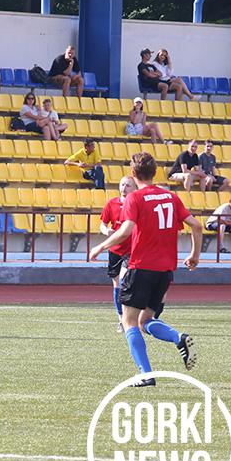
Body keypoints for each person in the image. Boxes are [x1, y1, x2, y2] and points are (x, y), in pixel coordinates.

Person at [89, 152, 201, 386]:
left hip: (141, 267)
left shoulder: (135, 198)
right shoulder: (171, 197)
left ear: (133, 173)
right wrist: (194, 256)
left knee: (129, 321)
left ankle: (146, 375)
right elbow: (196, 225)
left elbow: (126, 230)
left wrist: (101, 246)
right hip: (165, 271)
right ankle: (178, 337)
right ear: (155, 172)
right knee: (145, 320)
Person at [99, 175, 138, 332]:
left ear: (134, 188)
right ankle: (121, 318)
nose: (124, 188)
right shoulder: (112, 203)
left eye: (128, 185)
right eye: (122, 184)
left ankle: (131, 316)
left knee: (124, 280)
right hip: (115, 249)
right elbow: (102, 224)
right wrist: (106, 231)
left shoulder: (137, 204)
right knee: (116, 283)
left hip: (132, 249)